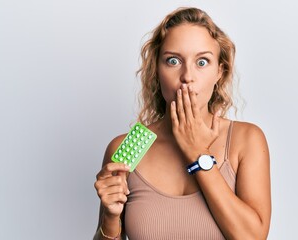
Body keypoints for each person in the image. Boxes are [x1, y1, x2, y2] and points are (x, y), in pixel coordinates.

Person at [94, 7, 271, 240]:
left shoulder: (245, 140)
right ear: (156, 70)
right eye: (173, 60)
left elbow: (253, 238)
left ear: (220, 71)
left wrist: (197, 153)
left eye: (202, 62)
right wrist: (110, 218)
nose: (187, 75)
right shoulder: (127, 148)